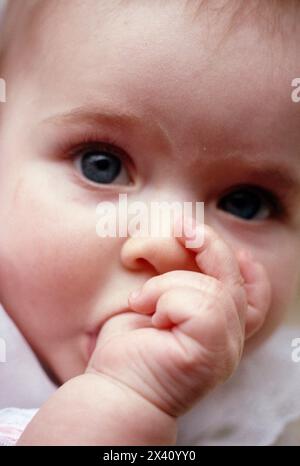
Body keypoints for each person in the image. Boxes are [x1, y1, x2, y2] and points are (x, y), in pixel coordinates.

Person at [0, 0, 300, 445]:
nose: (169, 247)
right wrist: (128, 396)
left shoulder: (266, 407)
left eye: (245, 203)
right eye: (101, 164)